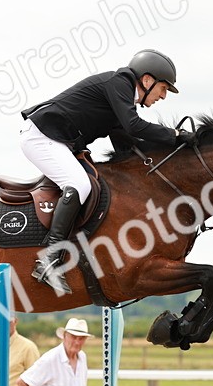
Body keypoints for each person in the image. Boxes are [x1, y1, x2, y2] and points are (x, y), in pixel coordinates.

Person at [20, 49, 191, 294]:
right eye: (163, 88)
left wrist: (174, 150)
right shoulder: (119, 83)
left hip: (58, 141)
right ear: (146, 80)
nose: (163, 96)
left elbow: (128, 146)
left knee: (88, 183)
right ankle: (49, 259)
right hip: (41, 137)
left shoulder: (120, 99)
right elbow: (133, 126)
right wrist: (173, 135)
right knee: (80, 184)